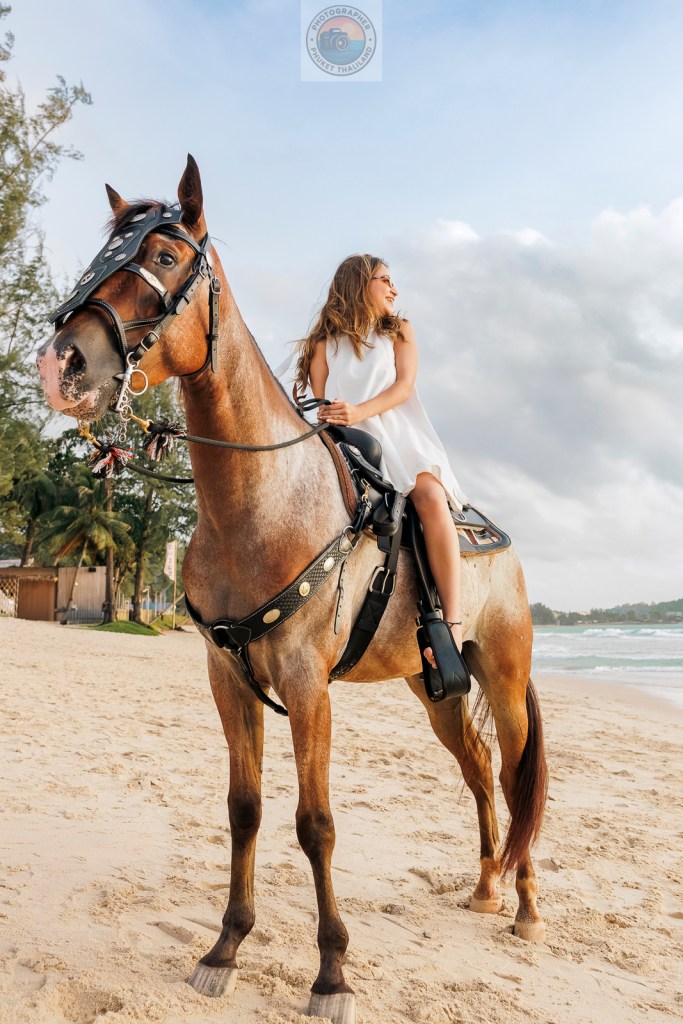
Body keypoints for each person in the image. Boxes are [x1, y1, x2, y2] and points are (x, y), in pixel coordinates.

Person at [292, 253, 467, 665]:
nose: (395, 288)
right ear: (359, 283)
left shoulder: (398, 331)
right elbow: (318, 399)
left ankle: (452, 626)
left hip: (397, 434)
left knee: (428, 496)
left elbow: (404, 387)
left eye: (392, 280)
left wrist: (358, 411)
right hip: (344, 439)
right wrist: (331, 417)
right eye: (385, 279)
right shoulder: (323, 343)